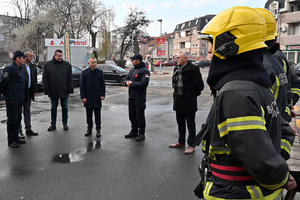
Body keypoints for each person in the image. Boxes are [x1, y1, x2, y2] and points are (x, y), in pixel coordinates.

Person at [195, 6, 296, 199]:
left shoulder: (236, 92)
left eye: (212, 42)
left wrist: (280, 176)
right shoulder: (258, 85)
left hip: (237, 193)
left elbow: (257, 157)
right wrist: (280, 163)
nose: (210, 50)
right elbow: (284, 131)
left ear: (228, 45)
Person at [169, 53, 204, 154]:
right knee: (180, 123)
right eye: (177, 58)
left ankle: (191, 145)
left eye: (179, 58)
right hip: (178, 100)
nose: (177, 59)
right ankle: (181, 142)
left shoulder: (193, 69)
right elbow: (174, 84)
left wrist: (191, 95)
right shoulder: (176, 69)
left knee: (190, 124)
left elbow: (200, 86)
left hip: (189, 101)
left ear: (185, 59)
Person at [0, 51, 27, 148]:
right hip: (12, 99)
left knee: (18, 118)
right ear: (17, 58)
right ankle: (11, 141)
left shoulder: (21, 68)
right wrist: (7, 95)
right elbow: (3, 83)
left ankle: (16, 138)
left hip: (20, 98)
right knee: (12, 120)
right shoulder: (10, 68)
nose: (24, 59)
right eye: (23, 58)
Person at [42, 49, 73, 131]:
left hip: (64, 90)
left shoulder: (67, 65)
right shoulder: (47, 65)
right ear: (54, 55)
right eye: (58, 56)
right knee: (53, 108)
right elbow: (45, 79)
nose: (60, 57)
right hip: (53, 91)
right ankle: (53, 124)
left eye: (61, 56)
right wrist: (47, 91)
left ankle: (65, 124)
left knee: (65, 108)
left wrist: (70, 90)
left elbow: (70, 78)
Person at [124, 54, 150, 142]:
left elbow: (144, 83)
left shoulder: (144, 71)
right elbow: (126, 79)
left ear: (138, 60)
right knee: (132, 115)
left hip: (140, 97)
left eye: (133, 60)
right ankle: (134, 131)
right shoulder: (132, 70)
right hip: (131, 97)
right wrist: (126, 82)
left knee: (140, 116)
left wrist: (132, 84)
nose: (132, 61)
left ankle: (141, 133)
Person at [80, 57, 105, 137]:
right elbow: (82, 86)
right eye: (92, 62)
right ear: (89, 63)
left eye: (95, 62)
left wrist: (102, 94)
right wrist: (83, 97)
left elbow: (102, 85)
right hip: (88, 98)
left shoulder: (100, 72)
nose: (94, 64)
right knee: (89, 115)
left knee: (98, 115)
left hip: (97, 97)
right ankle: (89, 129)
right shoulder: (84, 73)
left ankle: (98, 130)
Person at [18, 49, 38, 138]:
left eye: (32, 55)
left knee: (27, 111)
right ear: (25, 57)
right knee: (18, 113)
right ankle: (19, 131)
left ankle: (28, 129)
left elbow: (34, 79)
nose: (32, 57)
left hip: (29, 92)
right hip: (20, 92)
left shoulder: (32, 66)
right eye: (30, 56)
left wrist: (34, 90)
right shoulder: (20, 66)